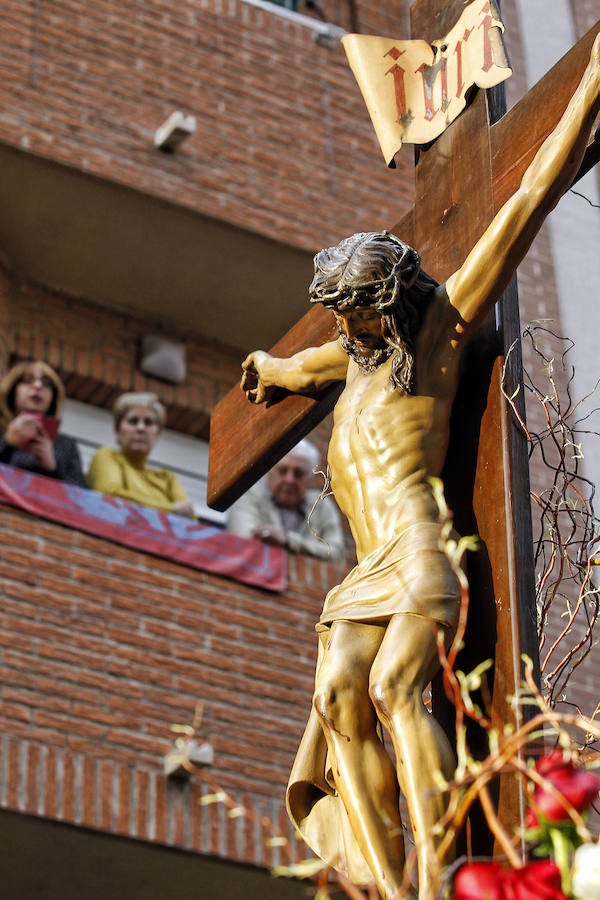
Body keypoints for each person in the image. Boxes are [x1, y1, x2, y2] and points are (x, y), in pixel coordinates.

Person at [239, 40, 600, 900]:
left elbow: (529, 194)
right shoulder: (355, 358)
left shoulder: (436, 335)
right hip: (364, 572)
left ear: (385, 306)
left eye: (351, 315)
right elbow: (306, 368)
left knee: (400, 685)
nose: (340, 330)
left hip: (420, 552)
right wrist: (277, 368)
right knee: (336, 702)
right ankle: (392, 886)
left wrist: (591, 88)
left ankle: (440, 879)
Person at [226, 438, 346, 560]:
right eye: (282, 471)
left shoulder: (321, 504)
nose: (289, 480)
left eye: (298, 474)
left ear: (309, 480)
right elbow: (243, 542)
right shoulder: (249, 494)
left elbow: (336, 553)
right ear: (270, 472)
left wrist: (288, 541)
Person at [86, 392, 195, 518]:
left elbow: (190, 518)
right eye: (133, 421)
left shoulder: (167, 479)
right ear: (117, 430)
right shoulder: (106, 456)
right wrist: (170, 509)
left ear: (157, 433)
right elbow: (110, 497)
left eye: (148, 422)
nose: (141, 428)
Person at [0, 359, 86, 487]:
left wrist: (52, 467)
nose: (38, 386)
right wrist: (7, 443)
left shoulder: (66, 445)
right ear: (13, 390)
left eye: (46, 384)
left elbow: (80, 497)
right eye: (28, 380)